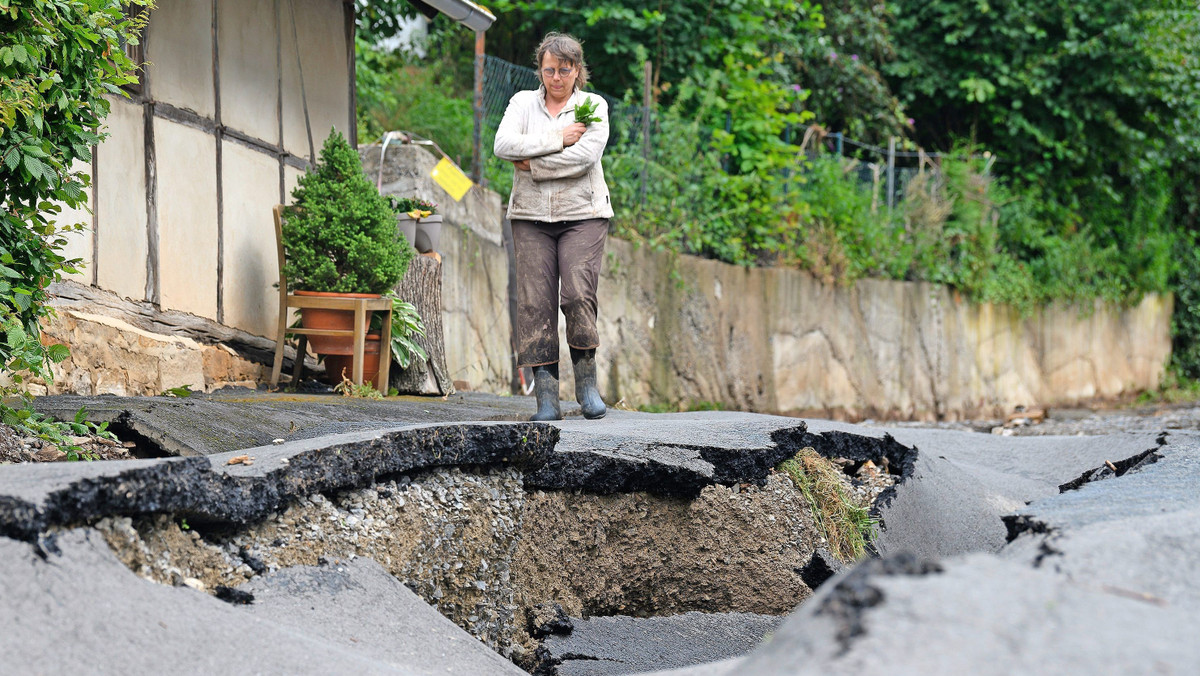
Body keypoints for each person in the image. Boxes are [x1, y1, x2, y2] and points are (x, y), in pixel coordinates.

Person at [493, 32, 611, 422]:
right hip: (530, 217)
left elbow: (585, 158)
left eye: (564, 70)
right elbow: (503, 145)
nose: (556, 77)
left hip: (583, 214)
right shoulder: (522, 103)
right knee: (533, 303)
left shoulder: (592, 106)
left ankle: (587, 385)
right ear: (540, 70)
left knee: (577, 294)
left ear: (577, 71)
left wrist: (534, 165)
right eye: (549, 70)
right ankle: (546, 398)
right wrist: (558, 137)